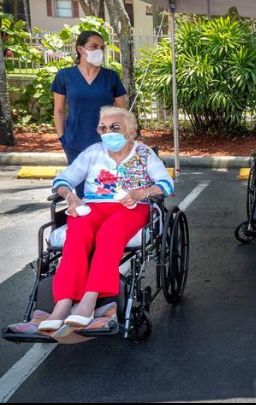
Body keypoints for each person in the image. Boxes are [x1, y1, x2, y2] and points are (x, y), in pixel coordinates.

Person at [38, 107, 174, 332]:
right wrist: (71, 197)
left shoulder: (144, 153)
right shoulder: (93, 152)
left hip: (132, 206)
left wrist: (141, 193)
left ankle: (89, 301)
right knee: (77, 232)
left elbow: (166, 184)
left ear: (130, 131)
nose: (107, 132)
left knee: (110, 233)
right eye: (103, 127)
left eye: (114, 127)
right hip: (93, 205)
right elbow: (63, 179)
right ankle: (63, 303)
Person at [53, 31, 127, 195]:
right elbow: (58, 110)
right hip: (75, 142)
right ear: (80, 49)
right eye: (94, 46)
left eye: (102, 47)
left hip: (106, 142)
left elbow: (121, 111)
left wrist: (122, 137)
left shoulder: (111, 77)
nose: (99, 51)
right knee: (81, 191)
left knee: (105, 189)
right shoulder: (64, 76)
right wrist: (62, 137)